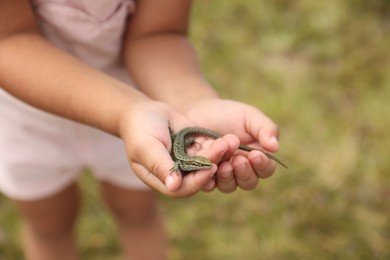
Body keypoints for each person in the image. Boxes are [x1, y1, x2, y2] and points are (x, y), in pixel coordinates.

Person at [0, 0, 281, 259]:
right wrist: (127, 112)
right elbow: (8, 41)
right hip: (28, 122)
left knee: (137, 211)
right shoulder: (180, 160)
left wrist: (192, 102)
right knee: (49, 223)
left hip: (144, 124)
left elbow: (158, 34)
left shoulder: (180, 156)